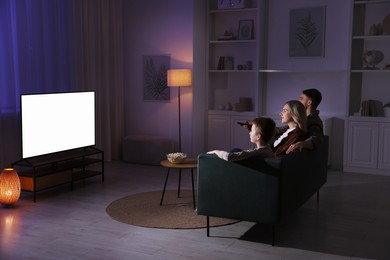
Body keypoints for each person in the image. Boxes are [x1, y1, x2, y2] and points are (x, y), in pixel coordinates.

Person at [207, 117, 276, 161]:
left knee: (234, 151)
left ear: (258, 137)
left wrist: (216, 151)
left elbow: (229, 157)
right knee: (236, 150)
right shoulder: (268, 149)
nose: (249, 133)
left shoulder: (256, 152)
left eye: (251, 130)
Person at [286, 88, 324, 154]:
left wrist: (302, 144)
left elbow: (315, 140)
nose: (298, 101)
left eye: (301, 99)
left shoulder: (314, 121)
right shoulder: (301, 117)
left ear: (309, 102)